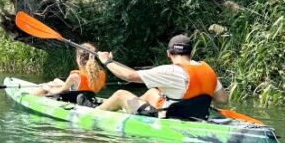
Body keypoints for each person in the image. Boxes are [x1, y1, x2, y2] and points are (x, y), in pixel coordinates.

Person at [95, 34, 228, 119]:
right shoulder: (207, 70)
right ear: (190, 52)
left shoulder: (170, 71)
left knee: (120, 94)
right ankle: (130, 110)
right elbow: (223, 99)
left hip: (172, 117)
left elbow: (129, 76)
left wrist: (106, 61)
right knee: (152, 92)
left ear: (169, 53)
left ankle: (95, 113)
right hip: (198, 115)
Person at [27, 43, 106, 105]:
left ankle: (28, 98)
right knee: (56, 81)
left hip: (73, 99)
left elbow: (59, 91)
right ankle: (48, 86)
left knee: (48, 86)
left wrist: (48, 87)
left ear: (78, 58)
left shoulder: (75, 77)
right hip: (87, 96)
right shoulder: (102, 73)